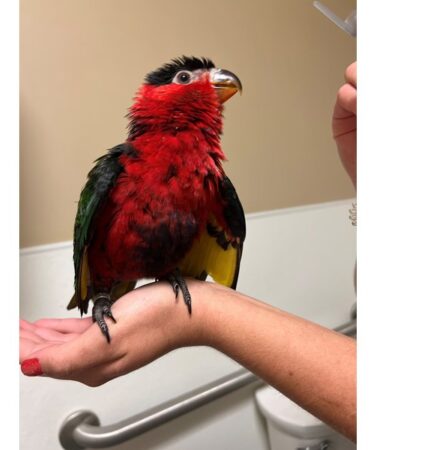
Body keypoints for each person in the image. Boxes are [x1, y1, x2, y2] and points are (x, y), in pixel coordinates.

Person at [20, 62, 358, 442]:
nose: (214, 80)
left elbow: (226, 246)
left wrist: (196, 306)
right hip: (106, 270)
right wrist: (97, 293)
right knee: (106, 292)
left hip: (171, 268)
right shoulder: (115, 170)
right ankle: (102, 292)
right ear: (150, 97)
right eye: (186, 78)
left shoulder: (210, 180)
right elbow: (85, 242)